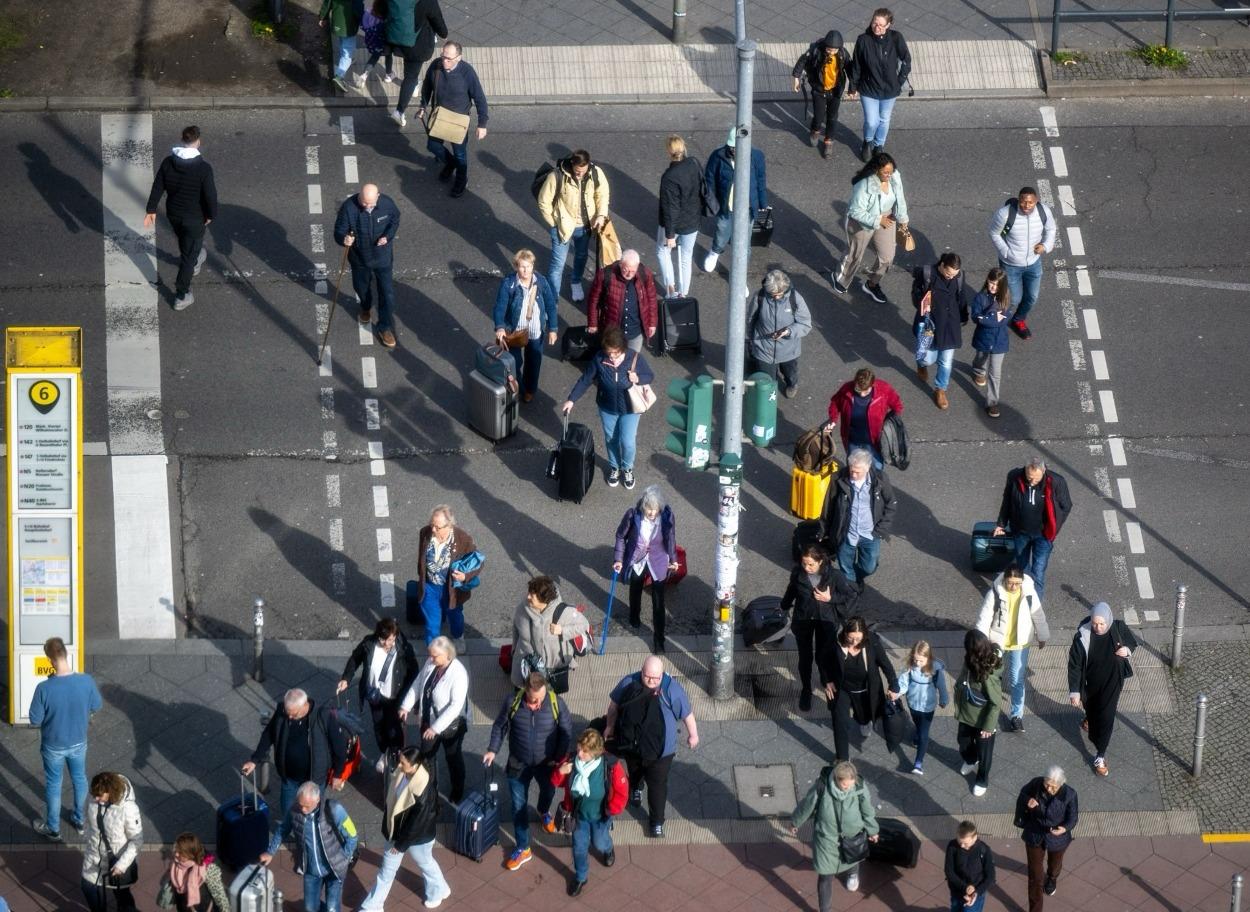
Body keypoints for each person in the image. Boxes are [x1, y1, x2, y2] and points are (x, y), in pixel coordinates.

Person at [483, 670, 573, 871]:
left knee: (548, 792)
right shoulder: (512, 702)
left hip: (547, 764)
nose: (537, 703)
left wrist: (559, 758)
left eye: (541, 698)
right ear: (525, 691)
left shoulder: (556, 703)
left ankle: (543, 811)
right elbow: (500, 726)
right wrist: (492, 750)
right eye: (533, 700)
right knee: (518, 806)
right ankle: (523, 848)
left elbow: (566, 732)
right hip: (518, 763)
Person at [604, 656, 698, 838]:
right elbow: (613, 707)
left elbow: (687, 714)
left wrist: (693, 735)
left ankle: (656, 822)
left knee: (657, 787)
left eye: (656, 678)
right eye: (647, 676)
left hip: (661, 752)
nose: (651, 681)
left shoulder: (672, 689)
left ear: (662, 674)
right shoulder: (629, 682)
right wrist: (610, 726)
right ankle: (636, 788)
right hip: (633, 746)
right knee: (635, 771)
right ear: (641, 671)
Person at [562, 325, 655, 490]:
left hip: (630, 408)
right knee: (611, 439)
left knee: (627, 442)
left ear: (623, 348)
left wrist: (638, 378)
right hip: (607, 407)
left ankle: (627, 468)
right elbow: (585, 379)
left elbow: (650, 376)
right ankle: (615, 467)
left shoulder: (635, 358)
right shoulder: (599, 359)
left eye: (616, 353)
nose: (612, 356)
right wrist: (571, 399)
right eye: (609, 352)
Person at [28, 636, 101, 842]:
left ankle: (53, 828)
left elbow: (35, 719)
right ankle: (79, 819)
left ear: (50, 660)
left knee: (54, 784)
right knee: (79, 778)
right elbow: (96, 705)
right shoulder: (86, 681)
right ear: (66, 654)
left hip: (53, 745)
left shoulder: (44, 688)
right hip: (78, 741)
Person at [358, 747, 450, 910]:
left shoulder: (422, 791)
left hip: (414, 837)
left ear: (415, 766)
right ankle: (373, 906)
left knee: (422, 864)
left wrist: (400, 845)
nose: (399, 765)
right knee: (392, 870)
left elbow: (416, 823)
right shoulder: (404, 773)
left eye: (403, 763)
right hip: (402, 833)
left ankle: (438, 890)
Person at [243, 688, 348, 819]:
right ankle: (289, 827)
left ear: (304, 705)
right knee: (287, 811)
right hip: (289, 778)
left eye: (294, 714)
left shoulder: (323, 716)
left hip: (314, 780)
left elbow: (340, 746)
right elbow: (268, 735)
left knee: (312, 813)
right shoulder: (283, 711)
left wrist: (338, 774)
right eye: (288, 713)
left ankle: (310, 830)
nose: (290, 718)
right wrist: (254, 760)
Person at [143, 125, 217, 310]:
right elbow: (210, 196)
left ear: (182, 140)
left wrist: (151, 209)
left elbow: (158, 186)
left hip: (174, 214)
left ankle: (195, 258)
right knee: (188, 257)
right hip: (194, 218)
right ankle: (181, 294)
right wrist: (211, 215)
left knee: (186, 241)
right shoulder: (203, 168)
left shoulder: (168, 163)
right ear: (198, 141)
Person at [550, 728, 630, 896]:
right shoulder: (570, 761)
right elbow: (555, 782)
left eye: (585, 751)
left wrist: (612, 809)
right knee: (579, 847)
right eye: (579, 748)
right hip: (578, 816)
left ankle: (607, 848)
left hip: (600, 816)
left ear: (596, 753)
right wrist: (560, 772)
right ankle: (581, 876)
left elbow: (622, 791)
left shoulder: (610, 766)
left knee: (599, 842)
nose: (579, 754)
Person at [337, 617, 420, 773]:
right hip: (375, 695)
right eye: (384, 640)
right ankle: (384, 752)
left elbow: (414, 672)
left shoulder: (403, 648)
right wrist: (346, 678)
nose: (387, 643)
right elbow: (355, 658)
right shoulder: (369, 644)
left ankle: (396, 753)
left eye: (391, 639)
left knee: (393, 727)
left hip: (394, 696)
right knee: (379, 726)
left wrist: (410, 698)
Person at [261, 781, 359, 912]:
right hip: (311, 871)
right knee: (310, 908)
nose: (302, 810)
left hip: (334, 870)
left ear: (317, 800)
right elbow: (282, 830)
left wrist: (344, 858)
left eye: (306, 806)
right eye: (300, 804)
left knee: (332, 908)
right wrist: (270, 852)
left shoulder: (334, 809)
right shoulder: (294, 811)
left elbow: (352, 835)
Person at [783, 543, 858, 712]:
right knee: (805, 657)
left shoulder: (834, 575)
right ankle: (806, 689)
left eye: (811, 564)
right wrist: (783, 606)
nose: (807, 568)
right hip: (804, 620)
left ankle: (828, 684)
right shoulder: (798, 573)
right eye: (804, 563)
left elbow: (850, 595)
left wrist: (830, 598)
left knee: (824, 656)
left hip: (826, 621)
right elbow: (791, 591)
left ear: (820, 561)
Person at [790, 761, 880, 900]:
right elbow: (807, 805)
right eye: (845, 785)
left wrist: (873, 830)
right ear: (836, 779)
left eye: (851, 784)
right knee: (825, 876)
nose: (849, 788)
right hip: (827, 839)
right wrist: (796, 822)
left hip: (852, 836)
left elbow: (867, 811)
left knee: (852, 856)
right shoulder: (822, 787)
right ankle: (825, 908)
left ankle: (852, 873)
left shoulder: (859, 787)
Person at [975, 564, 1049, 733]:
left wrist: (1042, 635)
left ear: (1022, 581)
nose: (1014, 587)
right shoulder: (995, 592)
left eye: (1017, 583)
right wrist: (980, 640)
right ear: (1005, 580)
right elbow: (985, 617)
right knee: (992, 676)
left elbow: (1038, 614)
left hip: (1020, 643)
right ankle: (990, 707)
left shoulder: (1029, 592)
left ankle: (1016, 716)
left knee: (1017, 679)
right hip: (997, 642)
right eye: (1010, 583)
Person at [1068, 602, 1136, 777]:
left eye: (1102, 624)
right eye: (1094, 623)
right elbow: (1075, 665)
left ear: (1108, 620)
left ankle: (1100, 755)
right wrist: (1075, 691)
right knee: (1091, 708)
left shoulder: (1118, 627)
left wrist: (1127, 650)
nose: (1098, 627)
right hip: (1090, 683)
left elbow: (1132, 641)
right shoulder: (1082, 636)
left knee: (1106, 717)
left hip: (1113, 683)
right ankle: (1089, 718)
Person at [399, 636, 470, 803]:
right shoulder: (432, 663)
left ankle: (457, 790)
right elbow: (419, 683)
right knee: (427, 758)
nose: (430, 659)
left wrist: (435, 728)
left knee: (453, 757)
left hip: (450, 726)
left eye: (434, 656)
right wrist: (406, 706)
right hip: (428, 721)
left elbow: (455, 706)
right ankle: (430, 791)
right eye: (430, 655)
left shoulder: (459, 674)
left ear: (447, 655)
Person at [818, 616, 899, 761]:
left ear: (864, 635)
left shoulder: (872, 642)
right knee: (840, 723)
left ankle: (864, 721)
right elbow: (822, 660)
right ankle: (842, 759)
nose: (854, 642)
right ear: (845, 633)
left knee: (863, 717)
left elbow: (886, 664)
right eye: (851, 638)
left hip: (865, 689)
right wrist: (827, 680)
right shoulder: (835, 643)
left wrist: (894, 685)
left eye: (858, 639)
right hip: (842, 689)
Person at [832, 151, 908, 304]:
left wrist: (902, 218)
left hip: (886, 217)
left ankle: (872, 284)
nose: (889, 175)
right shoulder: (864, 185)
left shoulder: (894, 176)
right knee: (855, 254)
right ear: (876, 170)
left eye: (891, 171)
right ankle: (840, 279)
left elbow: (899, 196)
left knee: (887, 257)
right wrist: (878, 220)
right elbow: (855, 211)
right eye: (885, 172)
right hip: (862, 221)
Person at [333, 182, 402, 349]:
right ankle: (365, 307)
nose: (366, 206)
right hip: (359, 258)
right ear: (359, 196)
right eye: (363, 202)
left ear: (378, 196)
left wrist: (388, 236)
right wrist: (344, 239)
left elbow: (395, 220)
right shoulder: (348, 208)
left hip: (383, 257)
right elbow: (338, 231)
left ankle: (385, 327)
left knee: (387, 294)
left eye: (370, 204)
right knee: (361, 288)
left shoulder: (387, 204)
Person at [818, 447, 897, 591]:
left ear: (868, 467)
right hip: (846, 534)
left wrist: (880, 530)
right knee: (845, 567)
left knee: (869, 567)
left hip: (870, 534)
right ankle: (852, 591)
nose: (853, 474)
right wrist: (824, 531)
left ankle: (855, 578)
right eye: (851, 470)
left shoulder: (880, 479)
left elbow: (891, 504)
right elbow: (828, 507)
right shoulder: (838, 479)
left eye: (857, 472)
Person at [993, 456, 1072, 599]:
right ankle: (1023, 598)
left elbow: (1066, 506)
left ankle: (1035, 605)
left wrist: (1055, 526)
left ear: (1044, 471)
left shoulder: (1056, 481)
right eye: (1029, 477)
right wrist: (1001, 524)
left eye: (1036, 479)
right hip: (1020, 532)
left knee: (1038, 571)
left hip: (1043, 535)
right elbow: (1007, 501)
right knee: (1022, 568)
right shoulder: (1014, 477)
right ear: (1025, 470)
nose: (1032, 482)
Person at [613, 485, 679, 654]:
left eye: (655, 509)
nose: (652, 512)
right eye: (649, 508)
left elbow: (671, 539)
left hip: (658, 559)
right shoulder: (632, 515)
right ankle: (634, 616)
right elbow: (620, 536)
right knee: (635, 588)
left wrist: (674, 560)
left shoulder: (667, 517)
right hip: (638, 558)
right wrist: (619, 559)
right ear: (643, 506)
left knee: (659, 601)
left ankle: (659, 640)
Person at [417, 41, 489, 198]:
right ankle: (450, 164)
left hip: (458, 121)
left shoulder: (467, 72)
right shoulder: (436, 66)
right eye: (443, 56)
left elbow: (480, 98)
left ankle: (461, 180)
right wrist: (423, 106)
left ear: (459, 58)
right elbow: (427, 87)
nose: (444, 61)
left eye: (449, 59)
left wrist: (482, 124)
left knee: (460, 154)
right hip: (439, 117)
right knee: (433, 146)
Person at [538, 149, 610, 303]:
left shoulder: (596, 173)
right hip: (562, 228)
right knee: (557, 265)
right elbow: (544, 201)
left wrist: (601, 215)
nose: (580, 175)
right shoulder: (556, 176)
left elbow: (602, 195)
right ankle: (552, 300)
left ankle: (576, 282)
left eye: (583, 171)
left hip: (584, 227)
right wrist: (554, 224)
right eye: (577, 172)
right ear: (572, 164)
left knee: (581, 256)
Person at [988, 186, 1056, 340]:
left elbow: (1051, 229)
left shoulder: (1043, 211)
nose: (1026, 205)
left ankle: (1018, 319)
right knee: (1014, 299)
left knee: (1032, 297)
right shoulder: (1005, 214)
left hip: (1033, 263)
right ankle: (995, 322)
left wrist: (1045, 245)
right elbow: (994, 233)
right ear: (1019, 200)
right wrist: (1006, 253)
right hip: (1010, 265)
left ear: (1036, 201)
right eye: (1023, 202)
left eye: (1030, 202)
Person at [493, 248, 558, 403]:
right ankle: (519, 387)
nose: (526, 270)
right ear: (516, 266)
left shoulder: (541, 282)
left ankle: (529, 390)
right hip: (514, 331)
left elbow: (550, 306)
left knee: (534, 363)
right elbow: (500, 307)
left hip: (535, 332)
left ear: (533, 266)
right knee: (514, 363)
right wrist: (500, 327)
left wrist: (553, 329)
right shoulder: (509, 283)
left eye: (529, 266)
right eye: (522, 266)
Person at [847, 8, 911, 162]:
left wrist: (899, 81)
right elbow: (856, 65)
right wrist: (853, 87)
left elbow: (906, 60)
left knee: (884, 119)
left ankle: (879, 145)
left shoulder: (896, 38)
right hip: (868, 88)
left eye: (881, 25)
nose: (877, 27)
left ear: (888, 25)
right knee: (871, 121)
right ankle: (868, 142)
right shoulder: (863, 40)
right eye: (875, 23)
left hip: (890, 89)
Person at [413, 504, 481, 646]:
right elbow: (422, 557)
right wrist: (421, 575)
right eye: (432, 524)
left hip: (451, 589)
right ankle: (434, 651)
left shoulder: (463, 539)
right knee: (432, 624)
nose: (433, 529)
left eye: (437, 527)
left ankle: (458, 637)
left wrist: (465, 577)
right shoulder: (425, 533)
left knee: (455, 616)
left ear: (449, 526)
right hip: (430, 587)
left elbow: (478, 562)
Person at [702, 127, 767, 273]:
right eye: (731, 147)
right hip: (727, 205)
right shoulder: (717, 156)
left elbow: (761, 180)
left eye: (736, 147)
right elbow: (710, 180)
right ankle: (715, 251)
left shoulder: (757, 156)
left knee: (745, 241)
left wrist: (763, 202)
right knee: (722, 230)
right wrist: (712, 202)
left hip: (747, 207)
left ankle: (740, 273)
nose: (733, 151)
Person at [913, 252, 972, 410]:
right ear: (942, 265)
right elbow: (915, 294)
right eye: (948, 273)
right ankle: (921, 364)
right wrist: (922, 303)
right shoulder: (926, 274)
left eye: (954, 275)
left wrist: (964, 316)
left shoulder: (958, 277)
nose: (951, 277)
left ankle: (940, 389)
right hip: (930, 324)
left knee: (946, 361)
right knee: (927, 359)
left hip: (950, 325)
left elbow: (961, 297)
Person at [509, 575, 590, 688]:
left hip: (552, 665)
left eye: (532, 595)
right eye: (529, 592)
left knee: (548, 691)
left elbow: (584, 624)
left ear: (543, 599)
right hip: (525, 662)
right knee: (524, 689)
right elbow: (515, 628)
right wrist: (514, 648)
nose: (527, 596)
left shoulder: (563, 612)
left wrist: (562, 630)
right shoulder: (522, 608)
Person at [1016, 766, 1078, 910]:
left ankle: (1052, 878)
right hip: (1035, 832)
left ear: (1061, 784)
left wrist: (1064, 828)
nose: (1049, 789)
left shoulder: (1070, 794)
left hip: (1057, 836)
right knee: (1035, 876)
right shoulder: (1036, 783)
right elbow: (1023, 794)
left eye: (1053, 787)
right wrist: (1028, 800)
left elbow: (1073, 817)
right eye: (1047, 784)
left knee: (1055, 864)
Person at [80, 771, 143, 912]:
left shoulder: (128, 809)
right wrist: (88, 836)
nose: (96, 799)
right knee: (87, 887)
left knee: (122, 895)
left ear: (111, 792)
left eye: (100, 796)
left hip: (116, 861)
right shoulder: (94, 794)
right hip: (93, 855)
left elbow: (137, 841)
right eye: (94, 795)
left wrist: (121, 865)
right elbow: (84, 815)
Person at [746, 268, 813, 399]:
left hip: (788, 350)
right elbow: (751, 319)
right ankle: (769, 399)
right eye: (772, 294)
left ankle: (792, 384)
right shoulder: (759, 297)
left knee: (790, 374)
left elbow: (805, 324)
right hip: (764, 348)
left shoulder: (795, 299)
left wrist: (788, 331)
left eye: (779, 294)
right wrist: (752, 339)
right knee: (767, 382)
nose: (776, 297)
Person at [954, 630, 1004, 797]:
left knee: (985, 754)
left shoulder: (989, 673)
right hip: (967, 713)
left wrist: (989, 727)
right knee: (963, 742)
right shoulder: (970, 660)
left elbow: (996, 702)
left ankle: (982, 780)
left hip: (984, 721)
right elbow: (963, 676)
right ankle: (971, 758)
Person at [386, 0, 447, 127]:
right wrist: (444, 33)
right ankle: (399, 111)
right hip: (418, 45)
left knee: (410, 70)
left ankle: (413, 86)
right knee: (411, 76)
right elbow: (437, 20)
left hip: (399, 40)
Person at [826, 367, 903, 467]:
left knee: (877, 467)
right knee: (854, 467)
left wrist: (889, 426)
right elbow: (835, 403)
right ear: (854, 383)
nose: (862, 394)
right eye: (858, 390)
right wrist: (833, 420)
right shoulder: (846, 389)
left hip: (874, 441)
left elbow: (897, 406)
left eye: (866, 391)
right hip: (852, 440)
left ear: (872, 384)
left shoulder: (884, 389)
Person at [792, 31, 852, 159]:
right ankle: (815, 129)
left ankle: (829, 141)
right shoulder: (816, 51)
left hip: (835, 90)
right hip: (819, 90)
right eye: (829, 49)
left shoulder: (842, 54)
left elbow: (850, 69)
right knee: (818, 116)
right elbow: (803, 60)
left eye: (834, 50)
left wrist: (853, 88)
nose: (831, 52)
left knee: (832, 117)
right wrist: (796, 77)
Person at [586, 249, 659, 354]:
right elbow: (593, 300)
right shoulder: (605, 275)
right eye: (626, 270)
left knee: (632, 360)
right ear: (620, 264)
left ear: (638, 266)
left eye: (633, 271)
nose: (629, 274)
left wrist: (652, 323)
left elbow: (652, 299)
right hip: (613, 332)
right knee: (613, 359)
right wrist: (593, 323)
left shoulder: (645, 274)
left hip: (635, 331)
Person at [656, 134, 702, 297]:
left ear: (669, 152)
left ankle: (670, 290)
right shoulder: (694, 163)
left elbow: (670, 207)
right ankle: (683, 293)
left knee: (662, 252)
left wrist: (670, 235)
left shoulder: (669, 177)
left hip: (675, 224)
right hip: (692, 220)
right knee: (686, 257)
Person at [895, 639, 948, 774]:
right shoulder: (909, 667)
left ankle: (918, 763)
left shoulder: (935, 669)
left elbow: (941, 686)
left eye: (921, 661)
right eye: (915, 660)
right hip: (913, 704)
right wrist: (897, 693)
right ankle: (917, 735)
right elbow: (903, 683)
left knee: (924, 733)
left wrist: (944, 699)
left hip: (927, 707)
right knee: (918, 725)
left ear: (928, 658)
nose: (917, 663)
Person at [970, 267, 1013, 418]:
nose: (993, 287)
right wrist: (996, 318)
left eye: (997, 285)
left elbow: (1005, 318)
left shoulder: (1006, 298)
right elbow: (976, 317)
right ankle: (978, 371)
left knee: (995, 373)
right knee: (980, 359)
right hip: (983, 338)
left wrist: (987, 318)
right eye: (991, 283)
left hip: (999, 342)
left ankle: (992, 403)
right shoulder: (980, 297)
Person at [159, 832, 231, 912]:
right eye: (176, 850)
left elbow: (219, 894)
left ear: (190, 853)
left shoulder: (208, 869)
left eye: (180, 852)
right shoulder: (175, 864)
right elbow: (163, 882)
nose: (176, 854)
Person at [945, 820, 995, 912]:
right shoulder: (952, 846)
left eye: (966, 843)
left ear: (974, 838)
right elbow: (949, 871)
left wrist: (976, 892)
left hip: (976, 892)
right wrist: (965, 887)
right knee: (955, 909)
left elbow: (990, 876)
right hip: (957, 891)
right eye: (959, 842)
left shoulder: (984, 850)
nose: (962, 846)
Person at [319, 0, 361, 93]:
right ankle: (339, 76)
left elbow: (327, 3)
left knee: (343, 44)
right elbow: (358, 8)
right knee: (347, 54)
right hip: (349, 25)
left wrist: (322, 17)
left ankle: (349, 59)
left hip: (337, 23)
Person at [353, 0, 393, 87]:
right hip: (384, 44)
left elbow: (363, 26)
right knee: (388, 56)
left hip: (372, 42)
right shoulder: (385, 20)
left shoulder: (368, 12)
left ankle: (364, 75)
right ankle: (388, 75)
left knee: (374, 57)